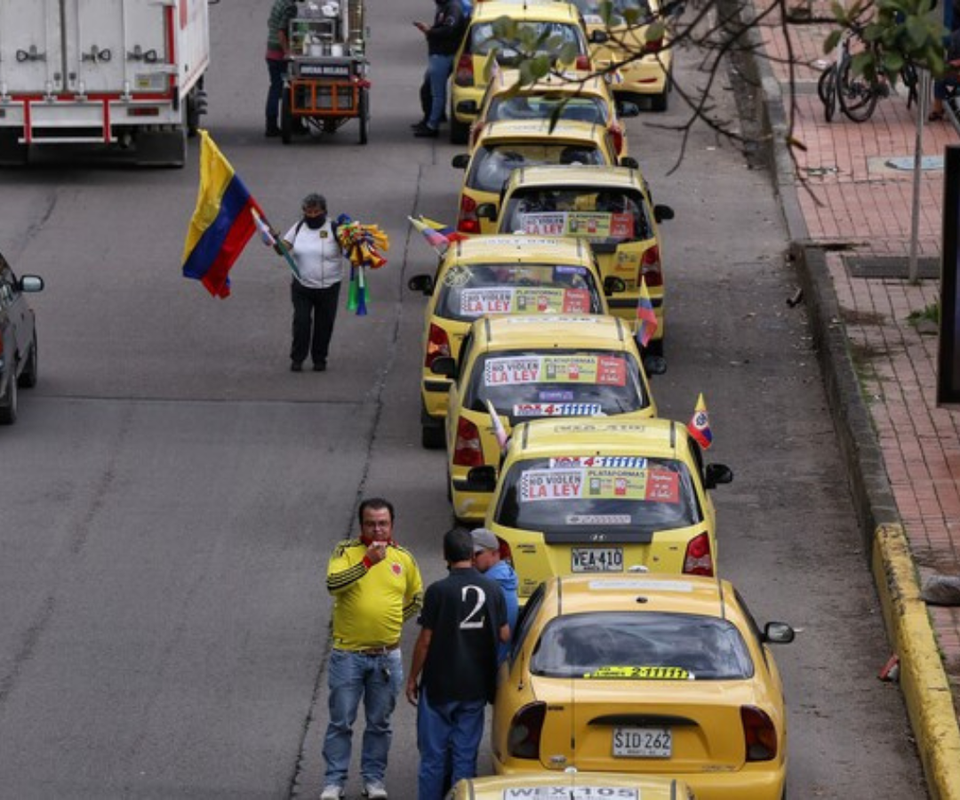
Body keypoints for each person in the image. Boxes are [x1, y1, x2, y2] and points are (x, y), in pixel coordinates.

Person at [321, 498, 424, 800]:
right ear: (361, 525)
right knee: (341, 721)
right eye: (371, 523)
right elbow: (333, 584)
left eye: (383, 523)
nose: (377, 529)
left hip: (387, 657)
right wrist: (367, 562)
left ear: (392, 525)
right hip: (348, 655)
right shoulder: (346, 551)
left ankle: (373, 781)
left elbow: (416, 598)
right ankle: (334, 782)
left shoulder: (404, 558)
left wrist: (392, 622)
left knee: (380, 723)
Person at [405, 528, 509, 800]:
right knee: (465, 758)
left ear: (445, 555)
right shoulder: (493, 589)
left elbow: (425, 641)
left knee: (433, 759)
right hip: (474, 686)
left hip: (439, 686)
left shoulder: (438, 592)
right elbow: (504, 633)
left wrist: (412, 678)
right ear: (472, 556)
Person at [282, 193, 343, 372]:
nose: (312, 215)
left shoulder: (334, 228)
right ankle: (297, 358)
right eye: (308, 211)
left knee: (324, 324)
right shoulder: (299, 227)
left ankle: (319, 359)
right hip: (302, 286)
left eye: (316, 212)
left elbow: (351, 251)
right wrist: (272, 240)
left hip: (329, 286)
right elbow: (282, 249)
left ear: (324, 211)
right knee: (301, 322)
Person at [412, 0, 467, 138]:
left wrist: (430, 30)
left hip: (443, 54)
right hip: (439, 54)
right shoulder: (444, 7)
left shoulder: (453, 8)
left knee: (437, 93)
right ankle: (430, 119)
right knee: (426, 89)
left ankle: (432, 125)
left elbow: (449, 30)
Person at [470, 528, 518, 666]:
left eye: (477, 554)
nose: (472, 559)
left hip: (489, 667)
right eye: (469, 555)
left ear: (494, 552)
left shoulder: (488, 585)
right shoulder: (507, 575)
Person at [265, 0, 296, 137]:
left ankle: (271, 125)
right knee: (295, 87)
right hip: (279, 54)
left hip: (271, 52)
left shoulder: (279, 3)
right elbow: (281, 31)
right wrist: (287, 52)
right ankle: (295, 123)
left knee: (275, 88)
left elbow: (270, 22)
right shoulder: (290, 7)